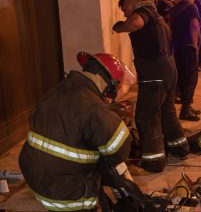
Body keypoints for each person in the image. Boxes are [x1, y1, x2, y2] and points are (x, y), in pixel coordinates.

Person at [18, 52, 136, 211]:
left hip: (33, 176)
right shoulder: (93, 107)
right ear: (107, 83)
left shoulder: (56, 91)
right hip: (63, 192)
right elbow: (119, 151)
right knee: (105, 165)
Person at [113, 0, 190, 172]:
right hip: (169, 70)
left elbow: (135, 22)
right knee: (167, 111)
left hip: (154, 74)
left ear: (131, 0)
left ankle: (153, 161)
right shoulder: (157, 16)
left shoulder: (144, 12)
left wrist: (120, 27)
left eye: (125, 9)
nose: (125, 14)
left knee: (147, 116)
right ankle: (180, 148)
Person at [170, 0, 201, 121]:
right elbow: (194, 25)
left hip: (177, 48)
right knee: (191, 78)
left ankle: (187, 105)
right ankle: (185, 110)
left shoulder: (175, 7)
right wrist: (195, 44)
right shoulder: (192, 7)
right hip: (188, 47)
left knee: (182, 77)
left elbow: (170, 26)